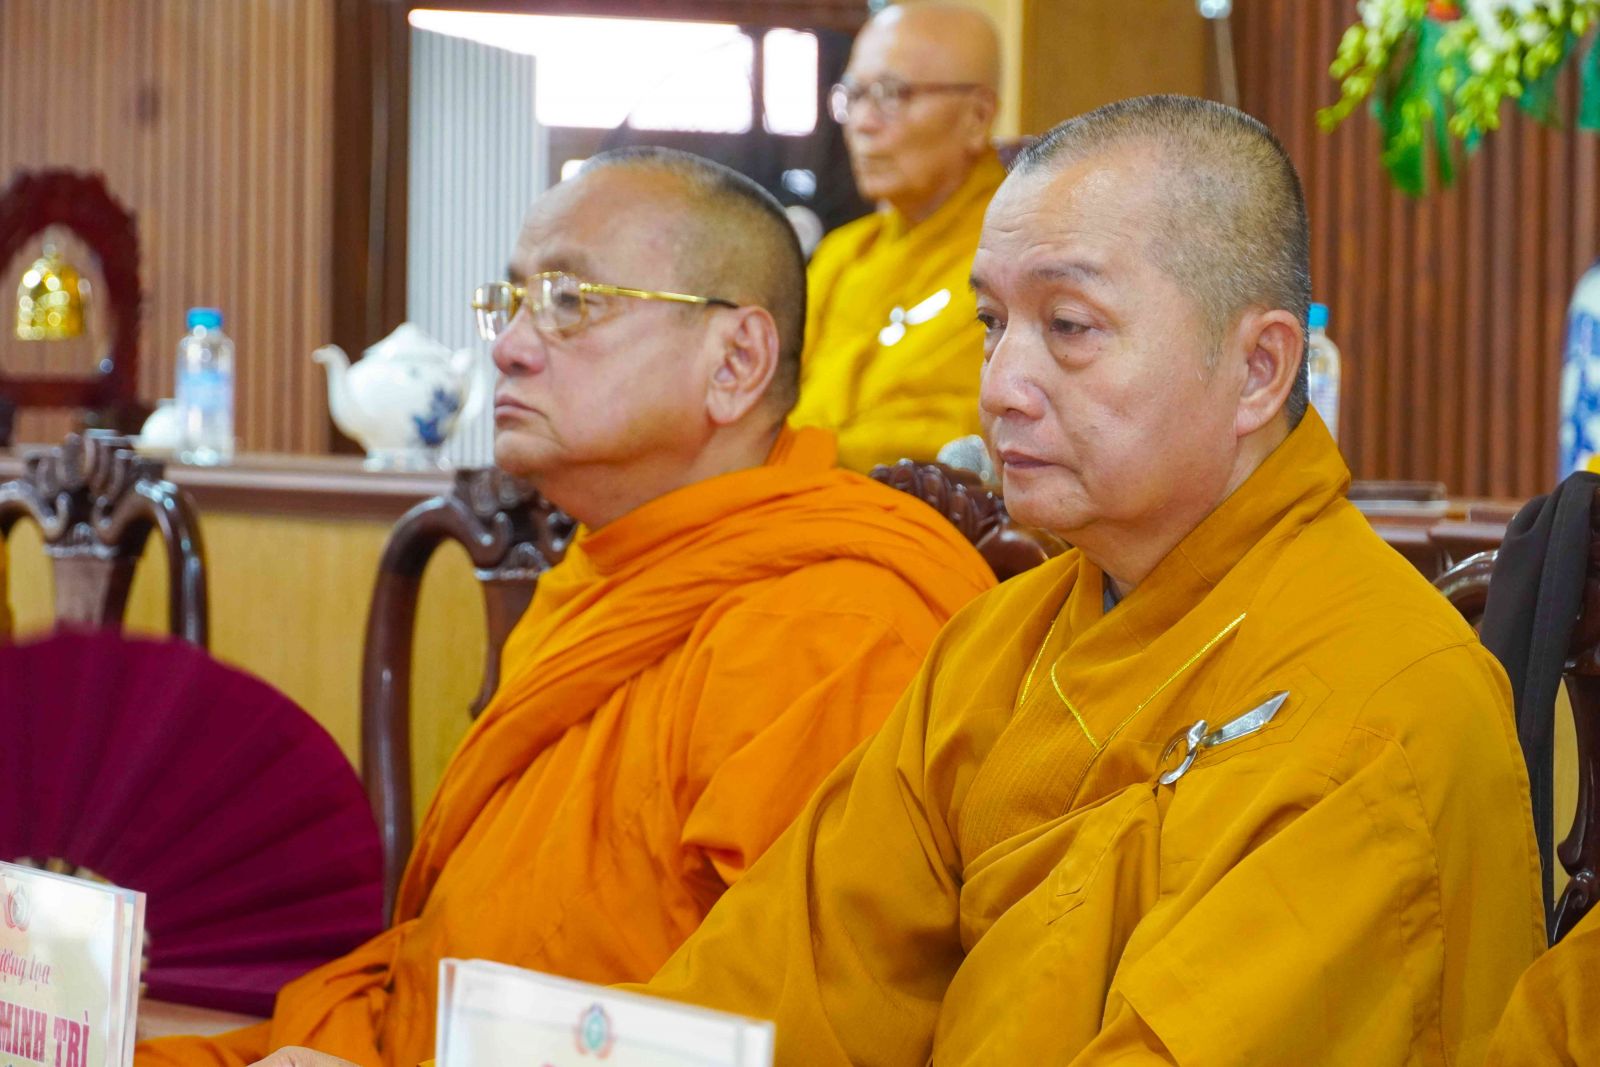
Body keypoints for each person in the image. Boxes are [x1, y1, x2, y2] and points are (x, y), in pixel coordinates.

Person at [623, 94, 1546, 1063]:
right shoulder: (994, 646)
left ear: (1258, 368)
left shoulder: (1378, 708)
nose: (998, 388)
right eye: (991, 322)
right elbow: (774, 987)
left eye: (1069, 325)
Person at [135, 147, 994, 1067]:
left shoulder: (836, 624)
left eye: (571, 301)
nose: (508, 344)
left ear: (736, 359)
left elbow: (783, 1029)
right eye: (511, 300)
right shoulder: (608, 571)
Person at [789, 0, 1005, 472]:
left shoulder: (1014, 260)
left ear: (977, 116)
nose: (862, 123)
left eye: (891, 94)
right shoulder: (843, 253)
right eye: (854, 95)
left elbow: (974, 435)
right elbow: (769, 396)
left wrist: (791, 456)